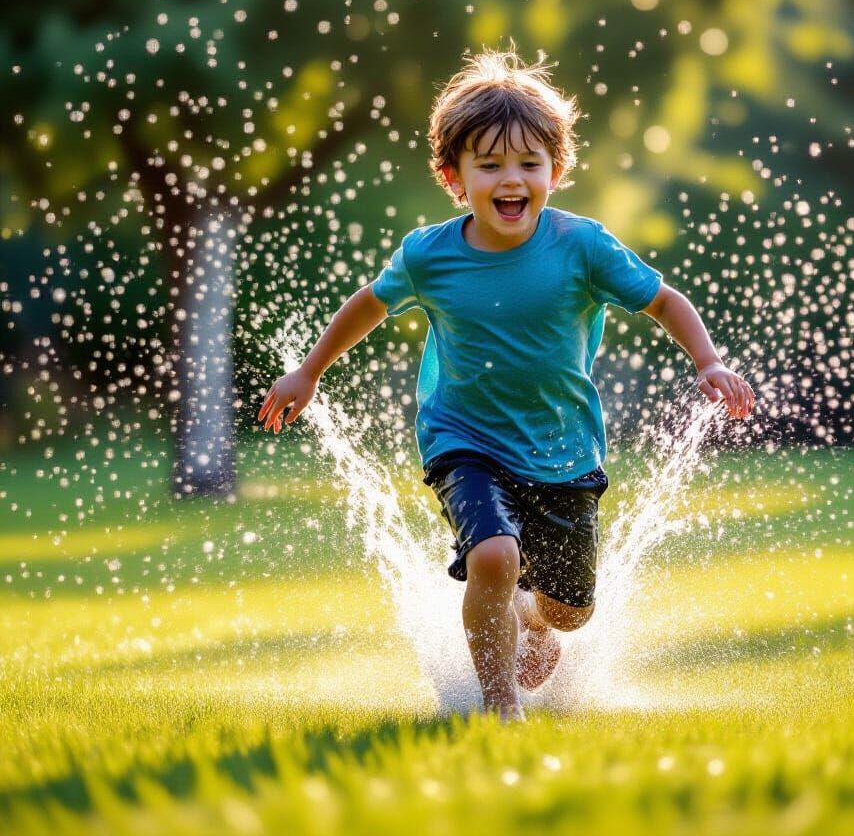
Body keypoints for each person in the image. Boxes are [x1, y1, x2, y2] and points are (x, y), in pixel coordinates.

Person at [258, 49, 755, 722]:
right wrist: (309, 370)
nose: (511, 178)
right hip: (463, 437)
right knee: (492, 556)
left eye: (528, 163)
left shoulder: (583, 246)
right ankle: (499, 706)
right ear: (454, 178)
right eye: (488, 165)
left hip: (564, 450)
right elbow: (371, 303)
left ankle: (532, 612)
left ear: (556, 169)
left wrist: (708, 361)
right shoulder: (430, 255)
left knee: (569, 612)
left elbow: (664, 301)